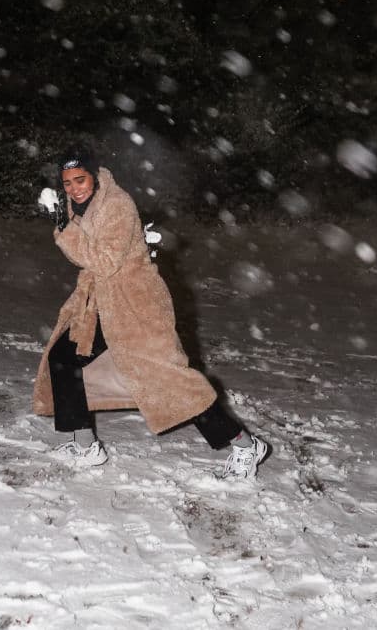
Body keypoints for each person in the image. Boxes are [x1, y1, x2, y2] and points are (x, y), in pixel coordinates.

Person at [32, 144, 270, 479]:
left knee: (168, 380)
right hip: (101, 302)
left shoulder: (117, 204)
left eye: (80, 179)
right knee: (63, 358)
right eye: (67, 182)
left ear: (95, 176)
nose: (74, 188)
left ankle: (244, 444)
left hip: (136, 306)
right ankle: (86, 447)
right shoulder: (77, 204)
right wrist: (65, 222)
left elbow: (103, 260)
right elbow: (84, 256)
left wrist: (63, 228)